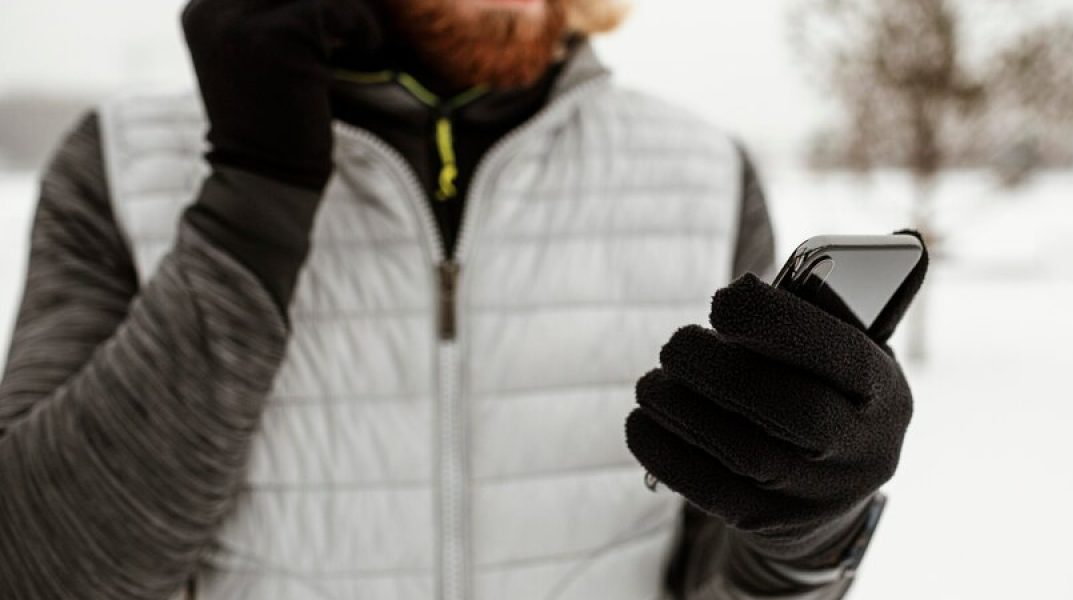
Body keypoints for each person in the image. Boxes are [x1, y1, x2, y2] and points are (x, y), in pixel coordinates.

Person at [0, 1, 925, 598]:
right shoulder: (121, 164)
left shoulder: (706, 176)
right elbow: (42, 572)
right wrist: (255, 192)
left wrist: (810, 516)